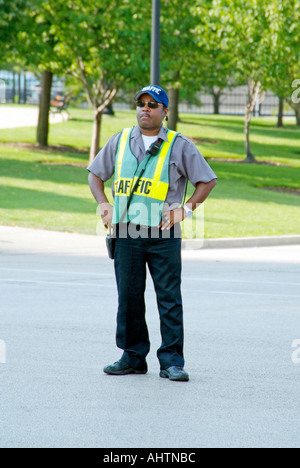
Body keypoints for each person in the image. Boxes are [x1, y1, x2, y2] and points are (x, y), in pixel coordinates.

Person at [88, 85, 217, 382]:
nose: (145, 109)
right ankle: (133, 356)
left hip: (164, 233)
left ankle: (172, 360)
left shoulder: (179, 144)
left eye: (152, 105)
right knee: (129, 297)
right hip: (126, 231)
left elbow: (206, 181)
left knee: (169, 297)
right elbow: (95, 175)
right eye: (141, 104)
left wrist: (185, 210)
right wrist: (104, 203)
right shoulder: (119, 141)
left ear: (165, 112)